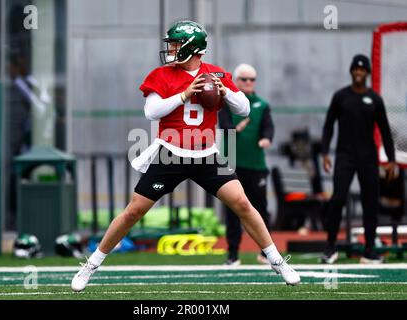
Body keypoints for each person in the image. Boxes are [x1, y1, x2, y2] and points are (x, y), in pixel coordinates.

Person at [71, 20, 300, 292]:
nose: (171, 49)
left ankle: (276, 260)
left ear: (192, 48)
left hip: (206, 154)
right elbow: (151, 111)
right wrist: (184, 95)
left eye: (176, 44)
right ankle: (91, 264)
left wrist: (225, 91)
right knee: (134, 211)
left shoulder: (216, 74)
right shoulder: (162, 75)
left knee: (242, 203)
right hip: (172, 153)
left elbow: (245, 108)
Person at [321, 54, 396, 264]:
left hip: (368, 157)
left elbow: (385, 131)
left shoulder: (375, 99)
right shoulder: (341, 97)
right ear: (351, 71)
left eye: (362, 70)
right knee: (337, 198)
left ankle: (369, 250)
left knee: (370, 202)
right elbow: (328, 126)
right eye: (356, 69)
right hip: (344, 156)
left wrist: (390, 160)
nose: (359, 73)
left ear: (368, 73)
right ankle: (330, 247)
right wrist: (325, 152)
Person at [219, 64, 274, 265]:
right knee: (233, 210)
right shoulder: (227, 102)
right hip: (232, 163)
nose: (249, 83)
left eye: (252, 79)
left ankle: (266, 252)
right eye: (244, 79)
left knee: (260, 208)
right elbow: (224, 127)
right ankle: (233, 253)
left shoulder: (261, 104)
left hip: (256, 164)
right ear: (236, 80)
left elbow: (268, 127)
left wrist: (266, 138)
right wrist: (236, 128)